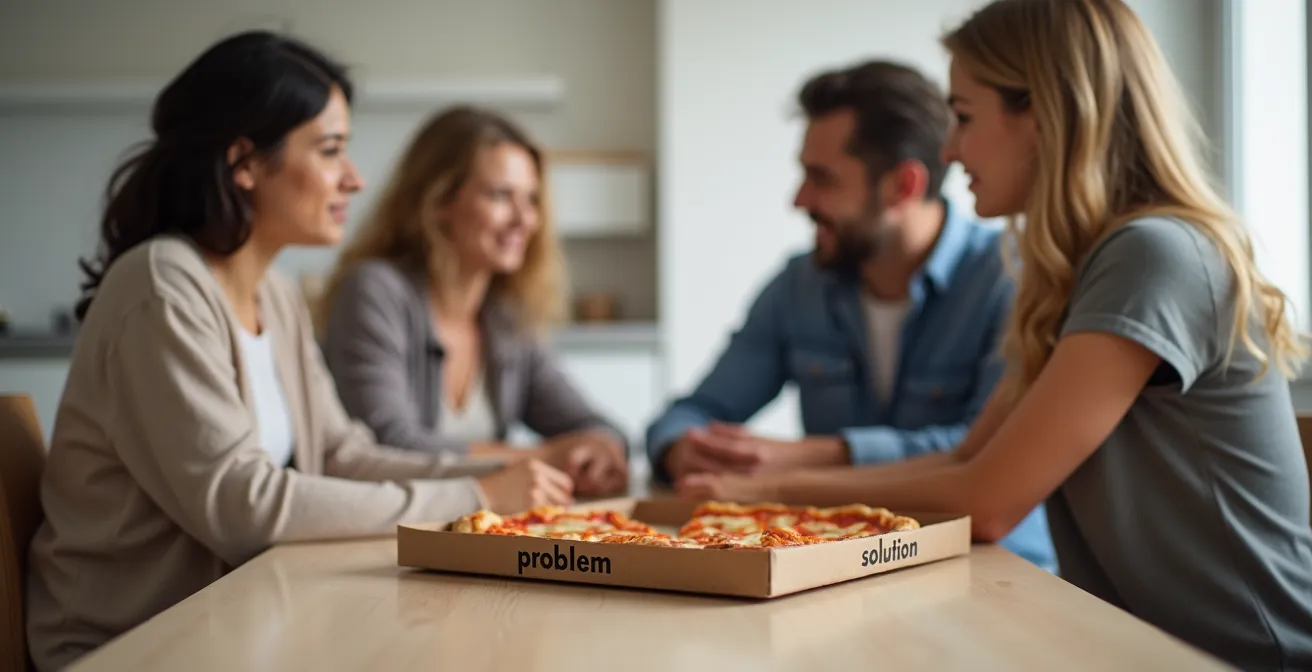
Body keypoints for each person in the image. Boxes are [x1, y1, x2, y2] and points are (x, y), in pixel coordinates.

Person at [677, 1, 1312, 669]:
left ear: (1042, 115)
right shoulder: (1074, 272)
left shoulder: (1153, 256)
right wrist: (766, 487)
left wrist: (771, 491)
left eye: (963, 117)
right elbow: (964, 460)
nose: (949, 150)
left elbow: (988, 501)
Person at [25, 31, 574, 671]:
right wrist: (476, 497)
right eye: (331, 150)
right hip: (131, 645)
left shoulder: (277, 295)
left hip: (234, 622)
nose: (354, 178)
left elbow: (342, 455)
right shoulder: (161, 287)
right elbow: (243, 506)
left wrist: (493, 479)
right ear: (245, 162)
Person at [643, 59, 1055, 571]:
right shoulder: (799, 285)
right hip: (838, 572)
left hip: (993, 570)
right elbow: (691, 412)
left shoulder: (1014, 280)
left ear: (903, 186)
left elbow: (986, 452)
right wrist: (685, 449)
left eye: (822, 178)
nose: (799, 200)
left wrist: (806, 458)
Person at [317, 106, 629, 497]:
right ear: (438, 201)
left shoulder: (505, 315)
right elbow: (388, 445)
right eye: (500, 195)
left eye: (531, 199)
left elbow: (596, 426)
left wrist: (598, 448)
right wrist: (545, 456)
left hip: (477, 527)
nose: (525, 219)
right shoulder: (375, 290)